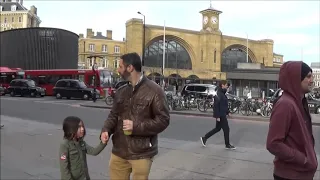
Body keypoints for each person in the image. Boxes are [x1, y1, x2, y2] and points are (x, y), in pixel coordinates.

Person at [100, 52, 170, 180]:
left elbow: (163, 120)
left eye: (120, 66)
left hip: (142, 153)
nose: (118, 70)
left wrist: (136, 127)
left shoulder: (155, 91)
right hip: (119, 151)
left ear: (130, 68)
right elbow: (113, 115)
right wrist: (106, 130)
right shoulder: (121, 91)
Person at [266, 61, 318, 180]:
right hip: (290, 175)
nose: (312, 80)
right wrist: (303, 159)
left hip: (300, 174)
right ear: (296, 79)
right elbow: (273, 144)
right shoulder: (285, 104)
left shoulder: (299, 102)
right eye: (308, 77)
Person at [200, 80, 236, 150]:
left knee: (217, 128)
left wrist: (228, 112)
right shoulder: (219, 93)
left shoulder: (222, 93)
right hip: (220, 115)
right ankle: (227, 144)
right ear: (222, 85)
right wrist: (217, 116)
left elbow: (223, 105)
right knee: (226, 129)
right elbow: (216, 106)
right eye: (226, 85)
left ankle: (204, 138)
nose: (227, 86)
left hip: (222, 113)